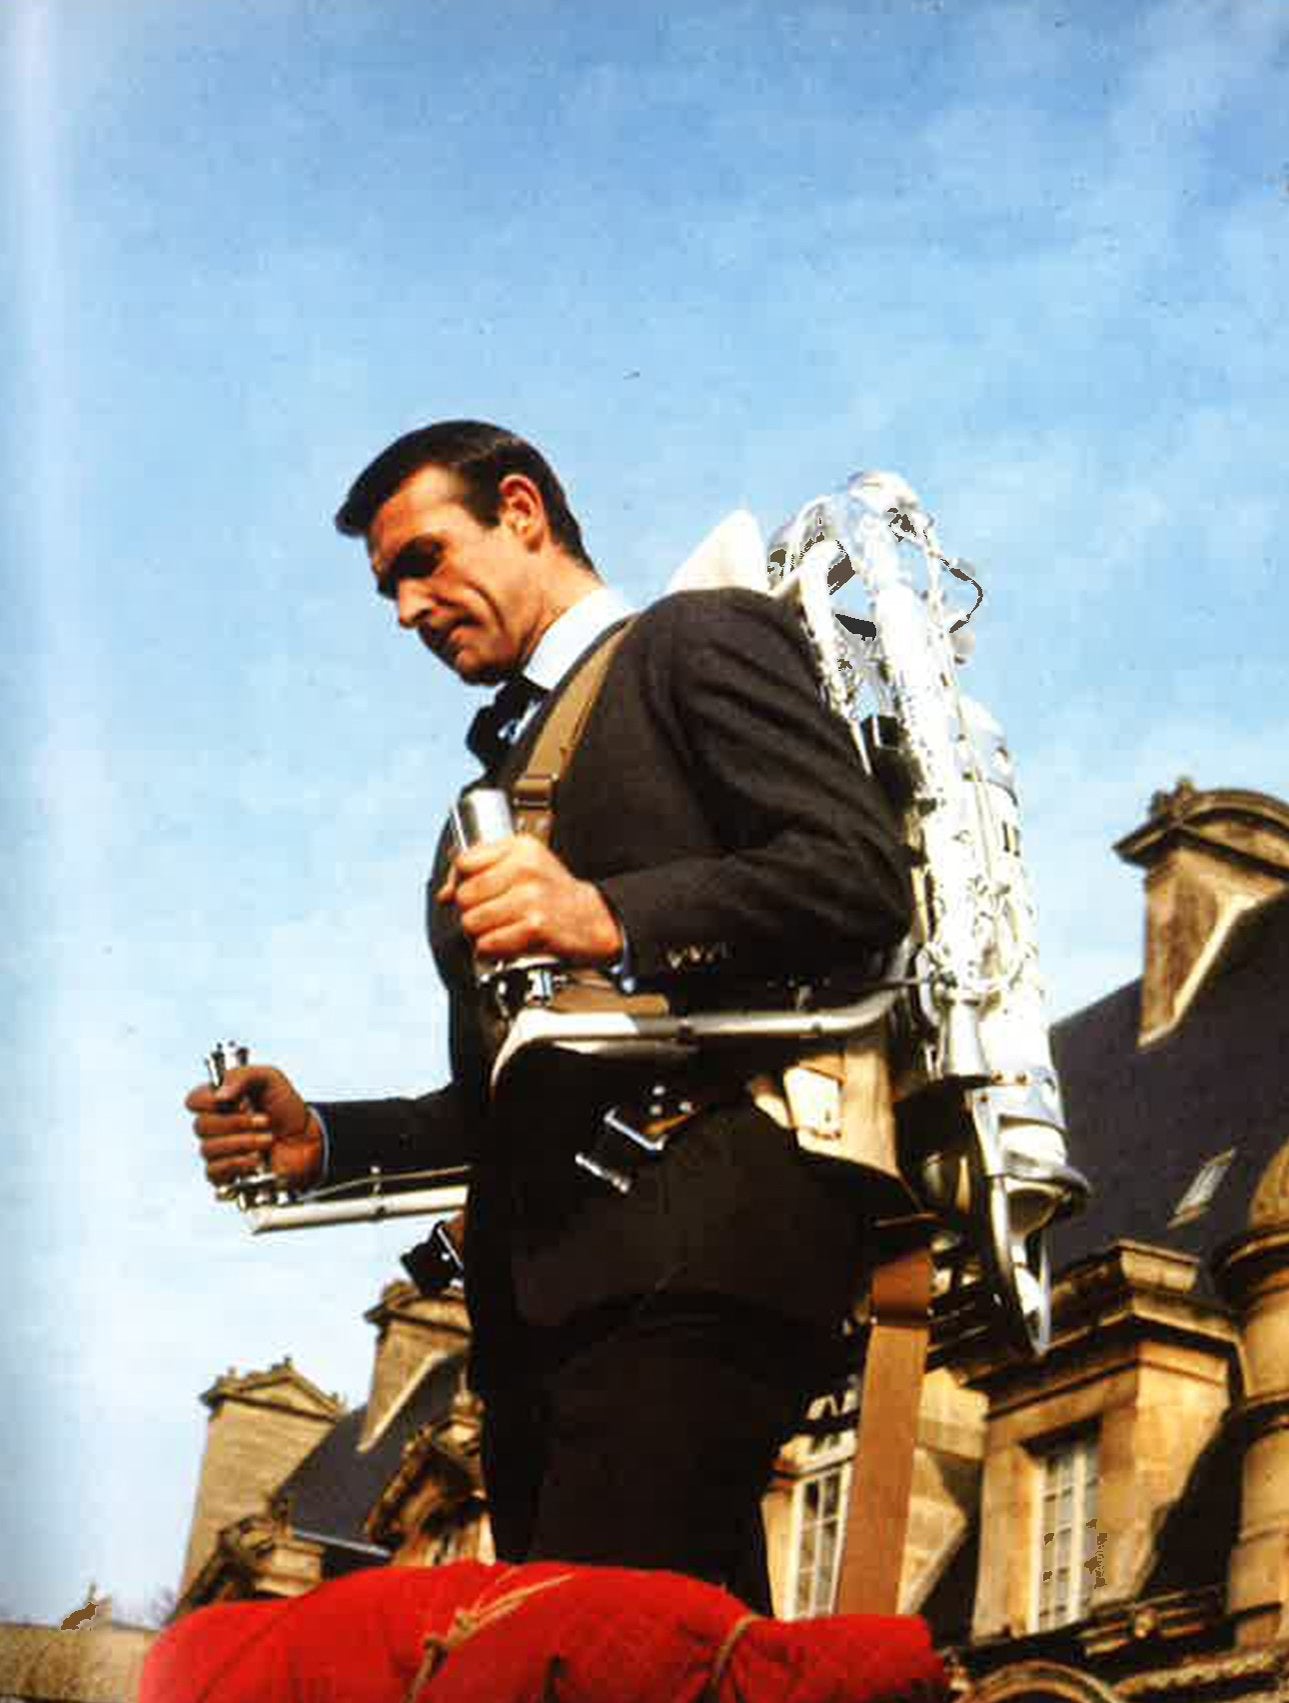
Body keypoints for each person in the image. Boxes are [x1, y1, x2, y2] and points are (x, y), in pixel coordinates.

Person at [186, 421, 913, 1612]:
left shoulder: (693, 638)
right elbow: (512, 1098)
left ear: (521, 510)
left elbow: (858, 876)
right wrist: (322, 1139)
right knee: (657, 1659)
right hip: (537, 1328)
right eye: (387, 588)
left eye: (423, 559)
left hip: (696, 1261)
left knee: (576, 1651)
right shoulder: (484, 795)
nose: (407, 609)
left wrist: (606, 913)